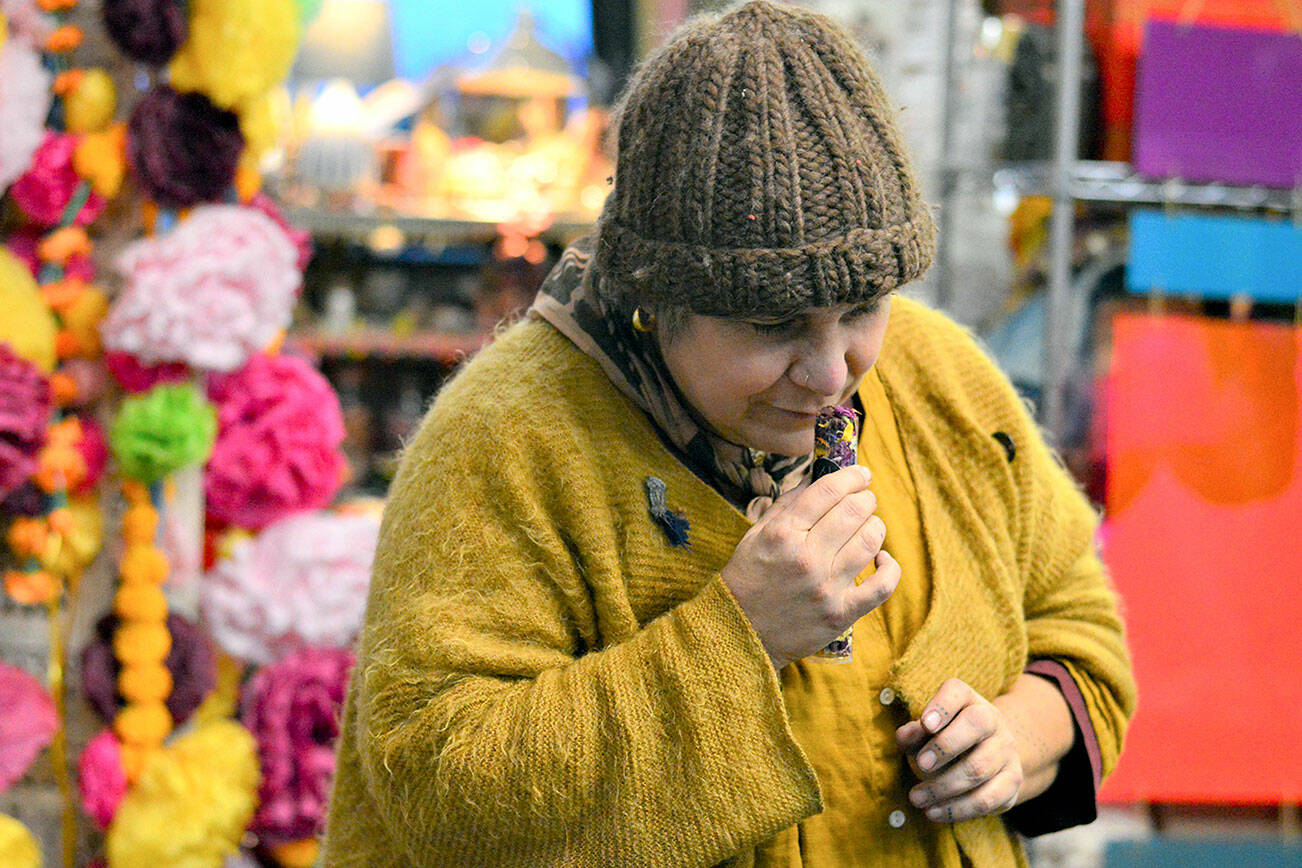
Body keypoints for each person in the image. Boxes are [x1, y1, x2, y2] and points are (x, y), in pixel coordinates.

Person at [321, 2, 1135, 865]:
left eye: (862, 309)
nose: (831, 374)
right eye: (773, 325)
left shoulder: (942, 382)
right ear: (656, 298)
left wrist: (1016, 739)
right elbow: (438, 789)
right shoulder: (505, 440)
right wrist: (738, 633)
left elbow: (1079, 630)